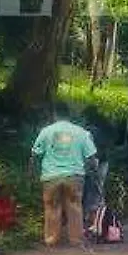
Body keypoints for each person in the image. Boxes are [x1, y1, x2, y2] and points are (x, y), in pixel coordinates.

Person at [31, 102, 98, 247]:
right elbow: (91, 157)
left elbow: (35, 154)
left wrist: (32, 172)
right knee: (74, 206)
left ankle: (51, 240)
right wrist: (91, 171)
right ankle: (76, 240)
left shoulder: (46, 131)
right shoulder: (81, 132)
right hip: (74, 175)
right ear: (70, 115)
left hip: (51, 176)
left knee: (52, 207)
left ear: (54, 114)